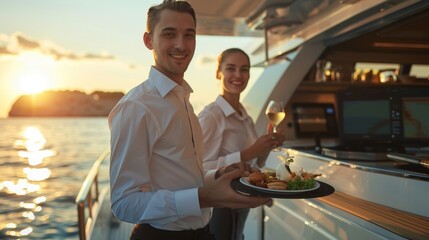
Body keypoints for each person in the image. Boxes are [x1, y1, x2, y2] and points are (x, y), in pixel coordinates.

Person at [108, 1, 271, 240]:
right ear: (148, 40)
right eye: (169, 34)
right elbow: (123, 203)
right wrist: (204, 197)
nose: (181, 45)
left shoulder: (182, 100)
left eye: (189, 35)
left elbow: (185, 178)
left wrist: (219, 174)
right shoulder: (136, 106)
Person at [198, 48, 284, 240]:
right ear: (218, 72)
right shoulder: (211, 116)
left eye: (244, 69)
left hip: (241, 204)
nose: (238, 75)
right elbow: (199, 169)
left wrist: (267, 145)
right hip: (219, 208)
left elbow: (256, 163)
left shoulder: (245, 117)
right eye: (231, 68)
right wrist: (248, 152)